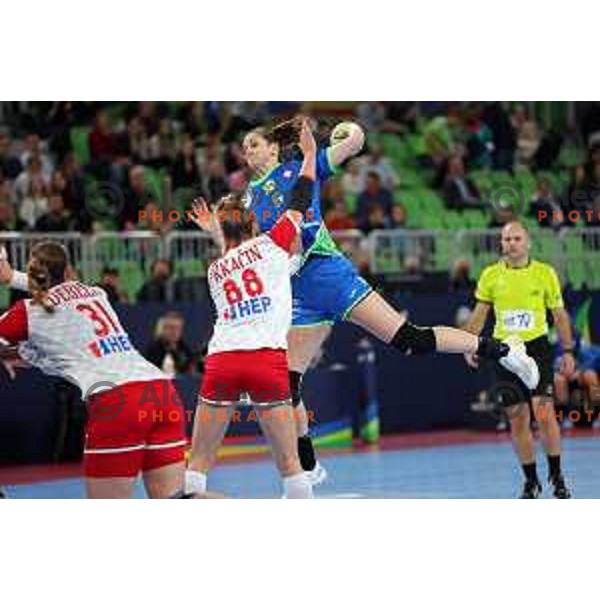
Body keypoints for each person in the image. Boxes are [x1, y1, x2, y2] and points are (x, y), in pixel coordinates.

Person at [200, 116, 540, 487]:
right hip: (296, 289)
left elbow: (354, 143)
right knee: (286, 383)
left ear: (273, 147)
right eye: (244, 147)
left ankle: (505, 349)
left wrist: (349, 131)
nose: (248, 151)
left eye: (254, 143)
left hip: (328, 273)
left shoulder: (299, 167)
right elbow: (245, 249)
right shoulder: (247, 199)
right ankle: (310, 465)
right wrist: (216, 231)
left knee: (410, 339)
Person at [185, 119, 319, 499]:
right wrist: (309, 154)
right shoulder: (274, 245)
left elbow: (235, 255)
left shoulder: (215, 269)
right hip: (266, 360)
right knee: (291, 468)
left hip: (223, 361)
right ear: (253, 220)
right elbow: (301, 196)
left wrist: (216, 229)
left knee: (197, 464)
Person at [0, 242, 190, 499]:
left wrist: (11, 353)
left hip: (118, 402)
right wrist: (11, 278)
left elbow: (48, 312)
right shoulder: (96, 293)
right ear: (68, 270)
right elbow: (63, 317)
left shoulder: (27, 312)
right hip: (162, 392)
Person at [464, 220, 575, 498]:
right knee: (517, 418)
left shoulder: (545, 273)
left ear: (527, 242)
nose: (510, 243)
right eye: (506, 239)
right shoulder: (490, 275)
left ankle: (557, 476)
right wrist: (469, 345)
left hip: (537, 349)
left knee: (545, 414)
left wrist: (569, 351)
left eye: (516, 238)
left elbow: (559, 316)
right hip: (504, 353)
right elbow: (479, 314)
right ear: (501, 244)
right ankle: (531, 480)